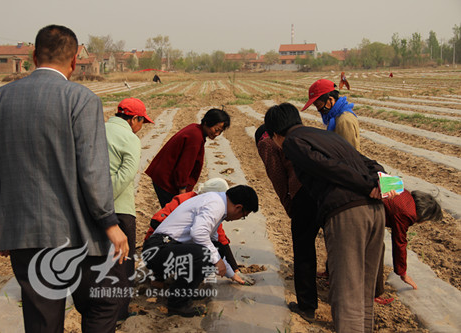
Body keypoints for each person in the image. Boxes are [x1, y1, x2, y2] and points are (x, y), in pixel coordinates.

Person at [0, 25, 129, 333]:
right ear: (74, 60)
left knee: (42, 321)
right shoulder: (81, 100)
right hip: (82, 236)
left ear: (33, 56)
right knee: (103, 302)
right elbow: (92, 170)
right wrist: (110, 223)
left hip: (25, 235)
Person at [264, 102, 393, 333]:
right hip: (375, 212)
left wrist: (367, 185)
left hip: (348, 214)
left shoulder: (292, 143)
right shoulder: (326, 136)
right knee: (363, 290)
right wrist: (381, 182)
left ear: (275, 134)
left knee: (347, 291)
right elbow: (371, 163)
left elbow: (326, 167)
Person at [142, 185, 258, 317]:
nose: (239, 219)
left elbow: (214, 245)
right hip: (157, 249)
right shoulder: (216, 205)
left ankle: (186, 291)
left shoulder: (218, 205)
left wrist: (232, 274)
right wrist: (217, 260)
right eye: (243, 216)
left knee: (216, 248)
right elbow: (198, 233)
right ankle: (177, 304)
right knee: (204, 255)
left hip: (170, 248)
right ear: (238, 208)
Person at [255, 124, 319, 322]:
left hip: (304, 194)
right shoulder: (306, 134)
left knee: (304, 251)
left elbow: (278, 178)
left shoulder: (266, 143)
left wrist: (290, 206)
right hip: (327, 189)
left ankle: (307, 307)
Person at [105, 97, 154, 320]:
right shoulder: (129, 139)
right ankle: (120, 313)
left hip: (92, 210)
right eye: (142, 122)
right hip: (119, 209)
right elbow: (125, 175)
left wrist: (93, 204)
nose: (141, 128)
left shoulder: (97, 130)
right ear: (134, 119)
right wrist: (104, 202)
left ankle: (102, 309)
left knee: (100, 261)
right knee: (123, 263)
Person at [144, 177, 245, 285]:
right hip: (159, 244)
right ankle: (162, 277)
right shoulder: (197, 204)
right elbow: (157, 221)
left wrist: (234, 271)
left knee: (211, 249)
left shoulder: (207, 208)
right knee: (202, 254)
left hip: (173, 244)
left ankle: (181, 277)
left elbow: (220, 240)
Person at [145, 108, 230, 208]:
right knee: (173, 214)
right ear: (207, 122)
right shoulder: (195, 137)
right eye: (216, 130)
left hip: (164, 176)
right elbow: (184, 166)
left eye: (220, 131)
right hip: (167, 181)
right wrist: (182, 190)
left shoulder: (195, 128)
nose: (217, 134)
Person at [375, 190, 443, 294]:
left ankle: (375, 292)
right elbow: (399, 242)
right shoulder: (407, 213)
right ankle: (373, 293)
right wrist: (403, 273)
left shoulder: (405, 194)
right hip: (364, 213)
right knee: (375, 251)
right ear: (424, 214)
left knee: (378, 247)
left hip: (368, 210)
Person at [301, 79, 360, 151]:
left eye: (319, 105)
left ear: (331, 99)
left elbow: (349, 154)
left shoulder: (343, 120)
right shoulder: (334, 117)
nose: (318, 109)